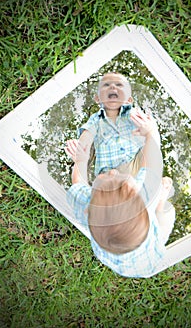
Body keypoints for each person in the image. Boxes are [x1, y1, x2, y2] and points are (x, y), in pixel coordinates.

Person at [66, 109, 175, 278]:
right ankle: (160, 200)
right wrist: (151, 131)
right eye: (118, 177)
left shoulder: (85, 204)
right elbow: (152, 157)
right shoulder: (143, 192)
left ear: (89, 208)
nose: (113, 173)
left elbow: (77, 183)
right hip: (151, 255)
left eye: (106, 178)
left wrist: (80, 160)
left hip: (121, 262)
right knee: (165, 217)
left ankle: (159, 198)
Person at [65, 72, 160, 177]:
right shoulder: (96, 120)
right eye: (106, 85)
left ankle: (155, 187)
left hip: (136, 163)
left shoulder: (134, 114)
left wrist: (149, 128)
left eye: (119, 85)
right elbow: (87, 135)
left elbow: (150, 133)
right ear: (98, 99)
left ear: (129, 100)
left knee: (151, 141)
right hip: (108, 172)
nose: (112, 86)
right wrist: (79, 147)